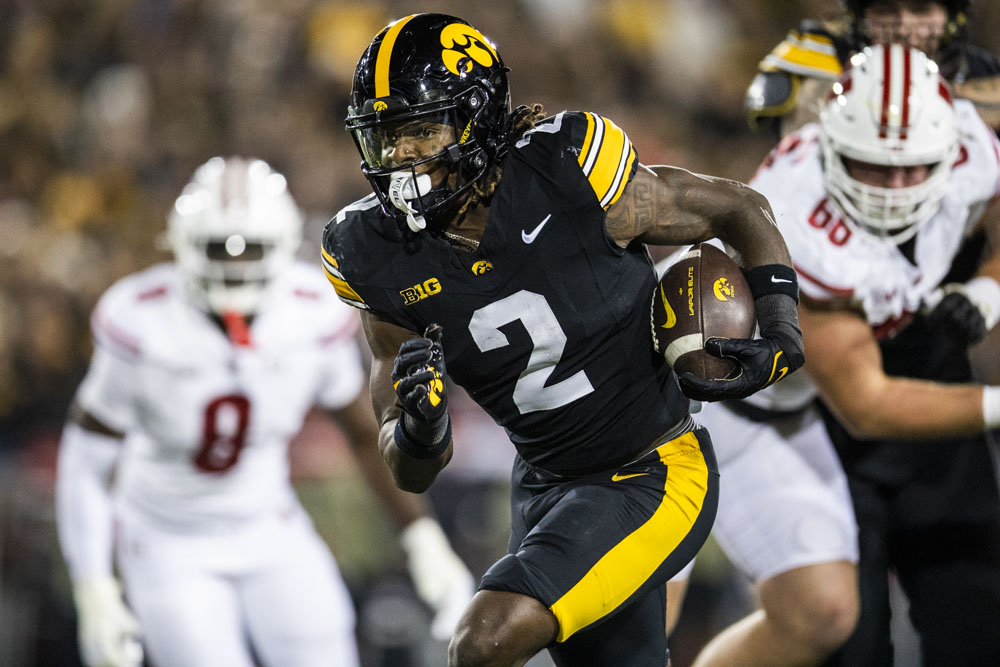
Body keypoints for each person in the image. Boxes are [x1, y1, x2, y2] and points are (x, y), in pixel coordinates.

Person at [321, 13, 805, 667]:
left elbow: (738, 207)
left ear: (480, 118)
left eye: (421, 129)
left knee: (484, 639)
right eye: (387, 137)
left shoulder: (568, 169)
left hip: (654, 469)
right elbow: (411, 467)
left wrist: (780, 327)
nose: (404, 156)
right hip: (545, 484)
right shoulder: (371, 251)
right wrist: (422, 425)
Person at [55, 156, 475, 667]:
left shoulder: (310, 313)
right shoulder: (141, 321)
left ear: (280, 245)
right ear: (182, 244)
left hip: (269, 524)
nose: (234, 262)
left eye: (249, 247)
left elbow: (365, 435)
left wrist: (420, 536)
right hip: (168, 539)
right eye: (218, 247)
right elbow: (85, 461)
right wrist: (93, 586)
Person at [686, 44, 1000, 666]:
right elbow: (870, 405)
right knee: (644, 619)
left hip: (797, 406)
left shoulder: (970, 149)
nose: (895, 189)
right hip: (712, 406)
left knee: (825, 617)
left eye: (913, 169)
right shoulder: (795, 220)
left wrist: (988, 287)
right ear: (831, 145)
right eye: (872, 167)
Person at [745, 0, 1000, 139]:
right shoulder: (818, 51)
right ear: (858, 15)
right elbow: (803, 155)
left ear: (953, 15)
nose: (902, 26)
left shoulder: (985, 70)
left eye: (921, 10)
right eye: (885, 10)